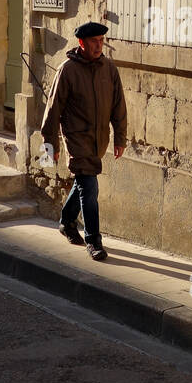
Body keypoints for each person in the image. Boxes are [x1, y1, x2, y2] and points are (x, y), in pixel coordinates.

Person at [39, 21, 127, 260]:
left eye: (101, 41)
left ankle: (67, 222)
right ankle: (93, 240)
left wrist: (120, 137)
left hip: (99, 139)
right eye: (93, 42)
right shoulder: (67, 70)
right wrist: (50, 146)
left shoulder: (109, 68)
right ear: (81, 43)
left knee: (83, 184)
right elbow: (53, 109)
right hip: (76, 138)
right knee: (90, 185)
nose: (99, 46)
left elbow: (119, 105)